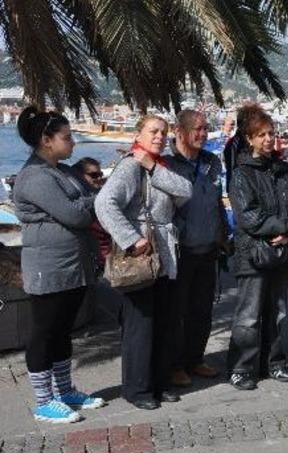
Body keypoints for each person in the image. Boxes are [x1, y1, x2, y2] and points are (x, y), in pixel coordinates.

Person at [14, 107, 105, 423]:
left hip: (74, 266)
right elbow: (78, 214)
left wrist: (87, 199)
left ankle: (65, 391)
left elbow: (84, 199)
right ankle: (43, 400)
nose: (73, 142)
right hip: (48, 268)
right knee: (44, 331)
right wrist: (90, 199)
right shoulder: (33, 177)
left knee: (63, 330)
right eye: (67, 137)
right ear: (46, 140)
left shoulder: (63, 171)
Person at [96, 115, 192, 410]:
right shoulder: (130, 166)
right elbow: (104, 203)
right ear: (139, 133)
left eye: (164, 132)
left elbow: (186, 191)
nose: (160, 137)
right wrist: (130, 238)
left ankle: (160, 383)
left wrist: (151, 165)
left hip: (164, 256)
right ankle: (137, 389)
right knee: (141, 325)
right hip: (142, 256)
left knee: (163, 322)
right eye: (153, 131)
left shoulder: (156, 165)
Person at [225, 105, 288, 390]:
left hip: (283, 253)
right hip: (253, 254)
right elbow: (249, 217)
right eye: (262, 135)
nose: (269, 139)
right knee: (249, 315)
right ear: (249, 138)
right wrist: (285, 227)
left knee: (278, 312)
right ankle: (241, 367)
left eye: (271, 133)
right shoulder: (241, 175)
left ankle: (274, 362)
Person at [165, 110, 226, 388]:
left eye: (205, 128)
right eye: (197, 129)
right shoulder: (166, 164)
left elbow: (216, 203)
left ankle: (195, 359)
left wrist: (223, 236)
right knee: (177, 312)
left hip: (209, 248)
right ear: (179, 131)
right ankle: (175, 364)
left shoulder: (212, 161)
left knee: (202, 310)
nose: (203, 134)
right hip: (180, 251)